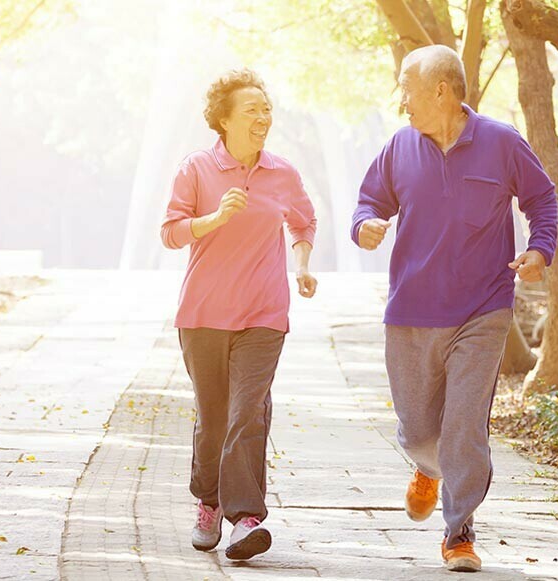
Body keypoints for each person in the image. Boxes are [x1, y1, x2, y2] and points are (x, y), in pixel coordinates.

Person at [351, 45, 558, 572]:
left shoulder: (502, 143)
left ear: (440, 89)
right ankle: (428, 465)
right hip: (411, 311)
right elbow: (369, 202)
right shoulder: (400, 147)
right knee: (420, 429)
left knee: (465, 424)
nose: (402, 101)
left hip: (482, 309)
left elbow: (542, 199)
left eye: (407, 88)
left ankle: (459, 530)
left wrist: (539, 250)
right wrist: (366, 226)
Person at [160, 68, 317, 561]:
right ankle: (207, 502)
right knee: (214, 418)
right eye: (251, 109)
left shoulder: (282, 173)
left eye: (266, 109)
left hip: (264, 314)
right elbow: (171, 231)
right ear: (223, 120)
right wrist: (215, 218)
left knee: (248, 413)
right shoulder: (196, 169)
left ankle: (246, 519)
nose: (263, 117)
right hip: (204, 313)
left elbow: (304, 220)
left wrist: (303, 264)